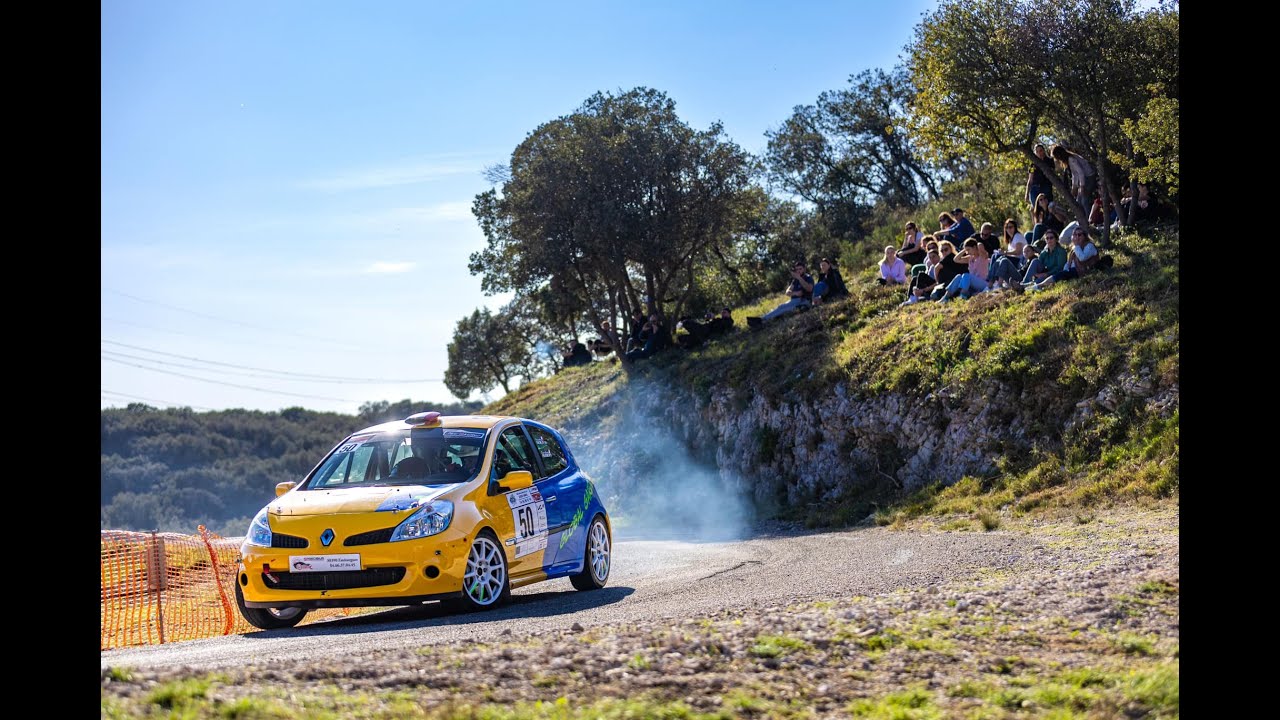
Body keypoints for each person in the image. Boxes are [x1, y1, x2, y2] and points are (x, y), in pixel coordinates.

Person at [1027, 226, 1100, 292]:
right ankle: (1028, 284)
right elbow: (1069, 262)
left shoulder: (1089, 246)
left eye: (1079, 235)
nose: (1077, 237)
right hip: (1072, 271)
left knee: (1057, 276)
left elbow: (1082, 258)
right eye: (1075, 235)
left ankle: (1037, 286)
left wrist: (1076, 245)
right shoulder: (1075, 248)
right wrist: (1065, 270)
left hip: (1083, 271)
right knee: (1036, 263)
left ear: (1084, 236)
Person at [747, 261, 814, 327]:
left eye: (800, 269)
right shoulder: (795, 280)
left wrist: (799, 278)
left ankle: (763, 320)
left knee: (784, 309)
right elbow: (787, 292)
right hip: (794, 301)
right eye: (797, 269)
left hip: (803, 301)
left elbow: (810, 289)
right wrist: (795, 293)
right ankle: (762, 319)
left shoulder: (808, 278)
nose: (798, 271)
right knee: (781, 307)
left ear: (804, 269)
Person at [1050, 144, 1096, 216]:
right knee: (1078, 201)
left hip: (1089, 177)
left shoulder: (1071, 159)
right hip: (1084, 179)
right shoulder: (1069, 161)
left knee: (1084, 200)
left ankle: (1090, 219)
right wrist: (1074, 187)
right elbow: (1075, 174)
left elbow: (1080, 172)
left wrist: (1082, 186)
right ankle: (1083, 219)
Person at [1025, 142, 1054, 209]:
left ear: (1043, 151)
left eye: (1040, 150)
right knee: (1036, 209)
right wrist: (1027, 194)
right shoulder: (1033, 165)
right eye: (1037, 151)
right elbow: (1030, 179)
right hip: (1035, 188)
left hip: (1046, 187)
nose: (1039, 153)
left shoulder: (1049, 161)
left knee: (1049, 207)